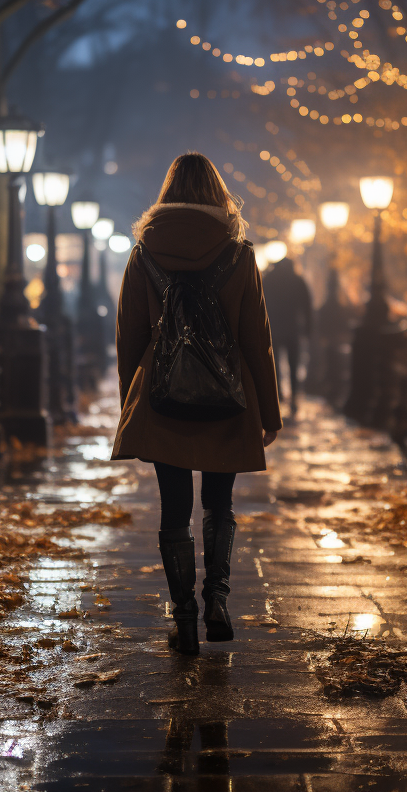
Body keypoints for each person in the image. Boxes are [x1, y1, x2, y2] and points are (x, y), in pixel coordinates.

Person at [112, 152, 282, 655]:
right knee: (219, 504)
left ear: (167, 194)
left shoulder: (144, 252)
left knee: (173, 510)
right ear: (218, 193)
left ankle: (184, 618)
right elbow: (257, 340)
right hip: (228, 399)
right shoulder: (239, 252)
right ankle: (218, 601)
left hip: (163, 399)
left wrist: (131, 404)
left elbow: (129, 336)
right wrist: (268, 413)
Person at [261, 256, 312, 415]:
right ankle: (294, 398)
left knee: (273, 364)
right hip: (292, 329)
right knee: (293, 364)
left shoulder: (269, 279)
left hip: (273, 328)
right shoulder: (297, 280)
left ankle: (277, 396)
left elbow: (259, 302)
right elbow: (307, 306)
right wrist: (308, 330)